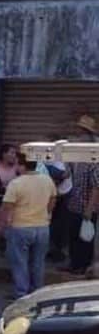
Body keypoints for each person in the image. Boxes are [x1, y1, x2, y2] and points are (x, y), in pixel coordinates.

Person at [0, 153, 57, 299]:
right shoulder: (47, 180)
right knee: (38, 262)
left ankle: (21, 293)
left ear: (21, 165)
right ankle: (37, 292)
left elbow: (7, 207)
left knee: (20, 261)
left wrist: (1, 225)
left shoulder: (16, 183)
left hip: (21, 227)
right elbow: (53, 199)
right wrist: (46, 214)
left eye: (17, 163)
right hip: (42, 226)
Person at [67, 116, 99, 273]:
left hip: (87, 206)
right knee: (73, 235)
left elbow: (96, 187)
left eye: (82, 132)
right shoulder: (79, 156)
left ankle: (83, 266)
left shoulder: (94, 159)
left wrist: (89, 208)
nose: (79, 136)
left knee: (85, 239)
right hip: (74, 203)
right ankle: (74, 264)